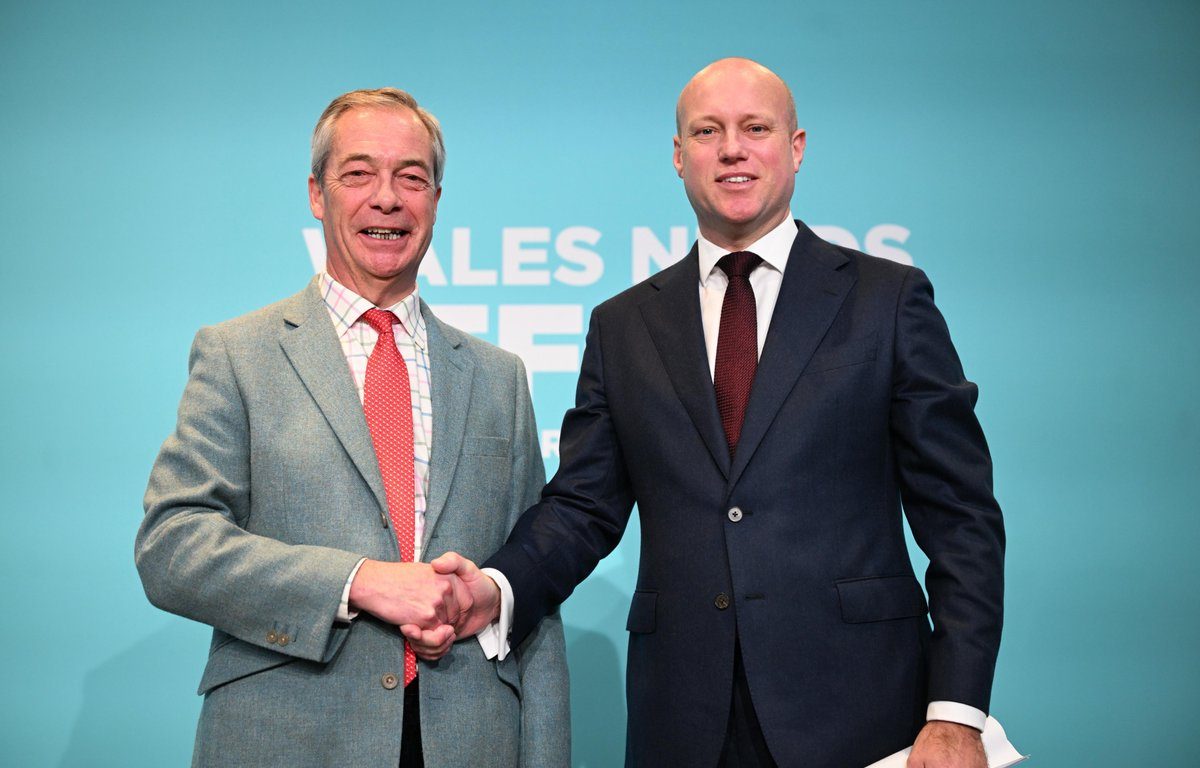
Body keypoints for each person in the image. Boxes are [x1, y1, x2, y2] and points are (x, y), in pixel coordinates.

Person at [435, 57, 1005, 767]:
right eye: (708, 132)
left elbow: (961, 516)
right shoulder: (623, 326)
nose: (732, 149)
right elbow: (583, 506)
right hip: (684, 717)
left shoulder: (887, 300)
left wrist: (956, 713)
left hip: (862, 709)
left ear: (796, 147)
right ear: (679, 156)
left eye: (755, 128)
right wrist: (497, 588)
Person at [135, 88, 568, 768]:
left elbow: (530, 588)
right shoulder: (238, 354)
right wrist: (357, 580)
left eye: (411, 178)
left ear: (435, 201)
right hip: (287, 738)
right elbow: (173, 545)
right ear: (317, 194)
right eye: (359, 174)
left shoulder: (499, 377)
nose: (386, 199)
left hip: (470, 740)